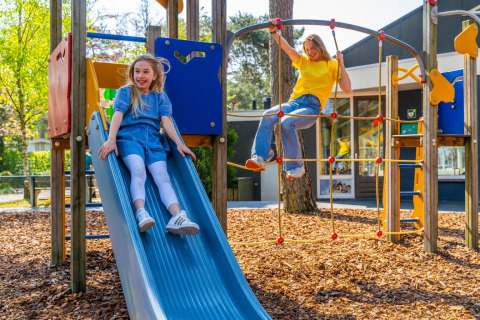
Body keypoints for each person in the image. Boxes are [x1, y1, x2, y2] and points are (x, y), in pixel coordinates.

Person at [98, 54, 199, 235]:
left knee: (163, 177)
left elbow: (166, 122)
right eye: (137, 71)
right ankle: (140, 212)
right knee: (138, 170)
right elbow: (118, 115)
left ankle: (177, 216)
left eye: (145, 72)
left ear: (154, 76)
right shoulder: (126, 92)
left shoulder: (159, 97)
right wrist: (111, 139)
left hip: (153, 142)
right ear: (132, 73)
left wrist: (179, 143)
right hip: (130, 139)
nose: (140, 76)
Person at [246, 19, 352, 179]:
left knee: (286, 123)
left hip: (312, 106)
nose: (310, 52)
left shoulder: (331, 65)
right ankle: (261, 156)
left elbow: (347, 88)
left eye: (312, 48)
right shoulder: (304, 62)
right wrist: (274, 32)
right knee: (268, 114)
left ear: (319, 46)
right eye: (307, 49)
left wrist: (341, 63)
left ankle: (296, 167)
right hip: (294, 102)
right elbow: (287, 49)